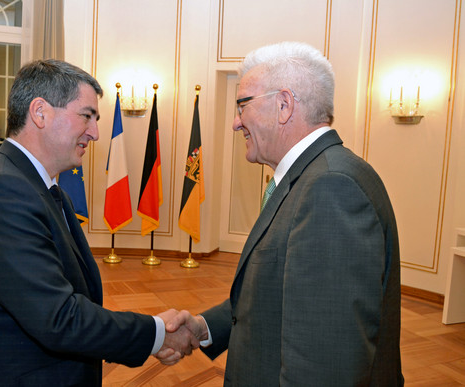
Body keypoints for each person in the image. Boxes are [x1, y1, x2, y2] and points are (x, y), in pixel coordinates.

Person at [164, 42, 404, 385]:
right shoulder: (311, 177)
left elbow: (327, 364)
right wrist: (205, 328)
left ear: (283, 105)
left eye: (242, 104)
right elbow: (278, 294)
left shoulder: (330, 188)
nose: (236, 122)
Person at [0, 59, 196, 386]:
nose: (94, 132)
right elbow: (58, 318)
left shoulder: (47, 190)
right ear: (40, 112)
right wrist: (155, 333)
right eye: (87, 116)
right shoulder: (0, 192)